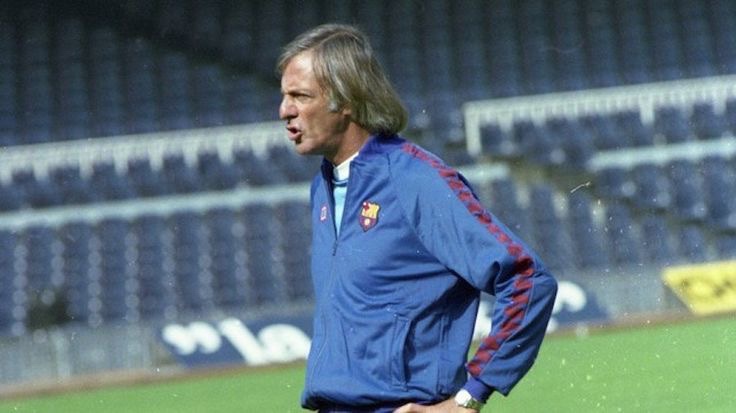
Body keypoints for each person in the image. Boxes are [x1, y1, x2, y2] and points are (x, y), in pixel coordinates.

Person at [277, 23, 558, 413]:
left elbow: (528, 279)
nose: (285, 110)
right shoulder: (321, 188)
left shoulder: (415, 179)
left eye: (300, 96)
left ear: (347, 100)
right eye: (284, 96)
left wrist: (468, 398)